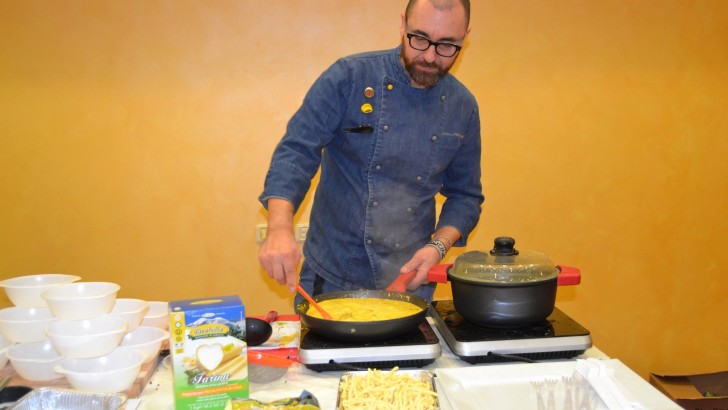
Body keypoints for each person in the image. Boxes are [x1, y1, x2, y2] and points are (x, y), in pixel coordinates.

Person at [258, 0, 483, 308]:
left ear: (465, 37)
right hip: (331, 278)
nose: (430, 56)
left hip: (409, 283)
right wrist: (280, 227)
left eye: (447, 45)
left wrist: (438, 247)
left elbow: (466, 197)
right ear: (402, 24)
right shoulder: (349, 77)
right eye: (419, 38)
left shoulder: (463, 107)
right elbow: (297, 152)